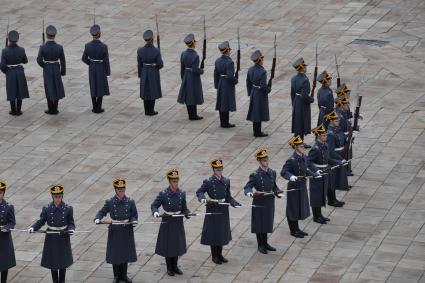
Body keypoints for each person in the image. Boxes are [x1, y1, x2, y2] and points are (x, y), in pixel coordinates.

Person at [196, 158, 241, 264]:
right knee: (214, 232)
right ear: (213, 170)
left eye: (220, 169)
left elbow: (228, 196)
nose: (219, 171)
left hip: (223, 209)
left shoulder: (226, 181)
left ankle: (220, 254)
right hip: (213, 208)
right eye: (217, 169)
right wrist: (204, 199)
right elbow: (199, 192)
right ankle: (214, 256)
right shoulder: (208, 182)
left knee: (221, 232)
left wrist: (234, 202)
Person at [94, 178, 138, 283]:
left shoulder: (130, 201)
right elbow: (102, 212)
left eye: (123, 190)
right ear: (115, 190)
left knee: (125, 253)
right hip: (115, 230)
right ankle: (116, 276)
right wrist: (97, 218)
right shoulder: (110, 202)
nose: (122, 192)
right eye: (119, 190)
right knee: (115, 253)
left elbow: (134, 214)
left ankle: (124, 275)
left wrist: (134, 220)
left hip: (126, 229)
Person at [29, 184, 74, 283]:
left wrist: (71, 229)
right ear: (52, 196)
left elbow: (71, 223)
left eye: (59, 196)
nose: (57, 199)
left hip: (63, 237)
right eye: (55, 197)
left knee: (63, 262)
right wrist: (33, 227)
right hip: (51, 237)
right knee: (53, 262)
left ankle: (62, 281)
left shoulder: (68, 208)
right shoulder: (47, 208)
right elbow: (41, 221)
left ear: (62, 196)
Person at [151, 168, 191, 276]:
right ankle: (169, 267)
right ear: (169, 181)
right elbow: (154, 205)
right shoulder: (164, 194)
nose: (176, 183)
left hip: (177, 221)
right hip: (168, 221)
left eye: (177, 181)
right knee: (168, 245)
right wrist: (155, 212)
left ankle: (175, 266)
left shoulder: (182, 193)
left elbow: (184, 208)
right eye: (173, 181)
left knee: (177, 244)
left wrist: (187, 213)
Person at [244, 149, 283, 253]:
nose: (266, 162)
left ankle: (265, 243)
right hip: (259, 200)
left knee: (267, 222)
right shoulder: (255, 174)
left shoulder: (272, 172)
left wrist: (277, 192)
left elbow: (274, 186)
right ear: (259, 161)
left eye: (267, 160)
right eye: (264, 160)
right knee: (259, 223)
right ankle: (260, 244)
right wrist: (251, 194)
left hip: (269, 200)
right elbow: (247, 187)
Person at [281, 136, 316, 238]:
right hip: (294, 187)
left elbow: (306, 169)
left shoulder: (304, 156)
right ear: (296, 148)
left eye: (303, 146)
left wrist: (313, 173)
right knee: (292, 208)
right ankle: (293, 230)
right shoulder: (291, 160)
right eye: (301, 146)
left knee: (299, 207)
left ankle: (297, 229)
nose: (303, 147)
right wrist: (292, 177)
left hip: (302, 185)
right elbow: (284, 172)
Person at [307, 124, 342, 224]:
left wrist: (338, 162)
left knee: (322, 193)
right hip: (317, 174)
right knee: (316, 195)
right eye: (324, 135)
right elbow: (308, 162)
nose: (326, 137)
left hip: (325, 172)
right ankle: (316, 216)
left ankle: (320, 214)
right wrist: (316, 170)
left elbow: (328, 159)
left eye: (326, 135)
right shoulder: (315, 148)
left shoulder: (325, 145)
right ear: (319, 137)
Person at [37, 25, 66, 115]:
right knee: (56, 86)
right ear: (55, 35)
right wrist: (63, 71)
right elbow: (63, 60)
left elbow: (39, 60)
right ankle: (55, 108)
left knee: (48, 87)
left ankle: (50, 108)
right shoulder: (59, 47)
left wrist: (45, 66)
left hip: (48, 68)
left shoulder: (43, 47)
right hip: (56, 67)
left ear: (46, 34)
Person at [82, 24, 111, 113]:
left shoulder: (87, 45)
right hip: (100, 67)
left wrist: (90, 63)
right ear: (99, 34)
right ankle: (99, 107)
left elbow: (84, 58)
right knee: (100, 86)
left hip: (92, 67)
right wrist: (107, 72)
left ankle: (94, 107)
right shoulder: (103, 46)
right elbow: (106, 60)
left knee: (93, 86)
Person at [0, 30, 29, 116]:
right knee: (20, 89)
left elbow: (2, 66)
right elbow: (25, 61)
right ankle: (19, 110)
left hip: (10, 71)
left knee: (11, 89)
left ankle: (13, 110)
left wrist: (6, 71)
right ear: (17, 39)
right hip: (19, 71)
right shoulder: (22, 49)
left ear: (9, 39)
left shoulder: (5, 51)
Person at [177, 34, 204, 120]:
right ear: (192, 43)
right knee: (194, 95)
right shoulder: (195, 56)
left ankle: (190, 114)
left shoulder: (183, 54)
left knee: (188, 96)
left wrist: (183, 78)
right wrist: (201, 71)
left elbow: (182, 68)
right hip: (193, 77)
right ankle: (194, 115)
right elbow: (195, 69)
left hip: (186, 75)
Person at [325, 110, 351, 197]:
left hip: (340, 154)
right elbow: (331, 151)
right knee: (334, 178)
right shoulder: (330, 134)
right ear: (331, 122)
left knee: (339, 175)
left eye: (338, 120)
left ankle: (340, 189)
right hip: (335, 157)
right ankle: (332, 198)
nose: (338, 122)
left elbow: (342, 137)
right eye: (336, 121)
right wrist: (340, 159)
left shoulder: (336, 129)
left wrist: (349, 137)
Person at [137, 29, 163, 116]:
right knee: (152, 90)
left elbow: (139, 64)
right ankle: (151, 110)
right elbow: (160, 64)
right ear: (152, 39)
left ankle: (146, 110)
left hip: (144, 71)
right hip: (152, 71)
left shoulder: (140, 50)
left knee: (145, 90)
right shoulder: (156, 51)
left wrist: (140, 74)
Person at [246, 50, 271, 137]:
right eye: (262, 59)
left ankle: (256, 130)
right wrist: (268, 90)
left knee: (255, 111)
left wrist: (250, 93)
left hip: (253, 91)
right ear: (260, 60)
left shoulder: (250, 69)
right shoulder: (262, 72)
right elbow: (263, 86)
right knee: (259, 112)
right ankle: (258, 132)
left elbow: (248, 82)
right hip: (260, 93)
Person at [214, 41, 238, 128]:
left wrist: (217, 85)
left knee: (221, 103)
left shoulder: (217, 61)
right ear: (227, 50)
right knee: (226, 103)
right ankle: (225, 123)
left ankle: (222, 121)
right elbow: (230, 77)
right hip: (227, 84)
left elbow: (215, 74)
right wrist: (235, 81)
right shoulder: (230, 62)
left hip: (220, 82)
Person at [290, 57, 314, 144]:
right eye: (305, 66)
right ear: (302, 68)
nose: (306, 68)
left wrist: (294, 103)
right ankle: (300, 143)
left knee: (297, 122)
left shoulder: (294, 78)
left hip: (296, 101)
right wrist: (311, 99)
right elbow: (304, 96)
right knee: (302, 122)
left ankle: (297, 141)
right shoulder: (305, 80)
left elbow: (292, 93)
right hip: (303, 103)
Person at [0, 180, 16, 283]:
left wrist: (6, 227)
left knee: (4, 262)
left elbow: (12, 223)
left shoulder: (9, 207)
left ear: (3, 193)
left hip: (3, 238)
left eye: (0, 193)